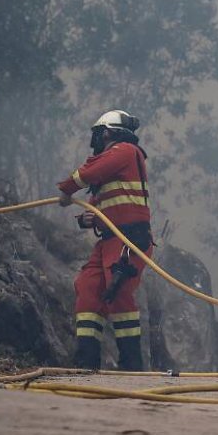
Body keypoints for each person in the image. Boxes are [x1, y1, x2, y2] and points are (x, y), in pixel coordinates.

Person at [56, 110, 153, 371]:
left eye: (98, 134)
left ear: (107, 132)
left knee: (119, 292)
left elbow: (90, 171)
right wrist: (87, 219)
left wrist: (66, 189)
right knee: (88, 287)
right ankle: (86, 362)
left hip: (128, 239)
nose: (95, 140)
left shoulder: (125, 151)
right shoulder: (114, 165)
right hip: (110, 241)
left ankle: (131, 365)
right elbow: (99, 204)